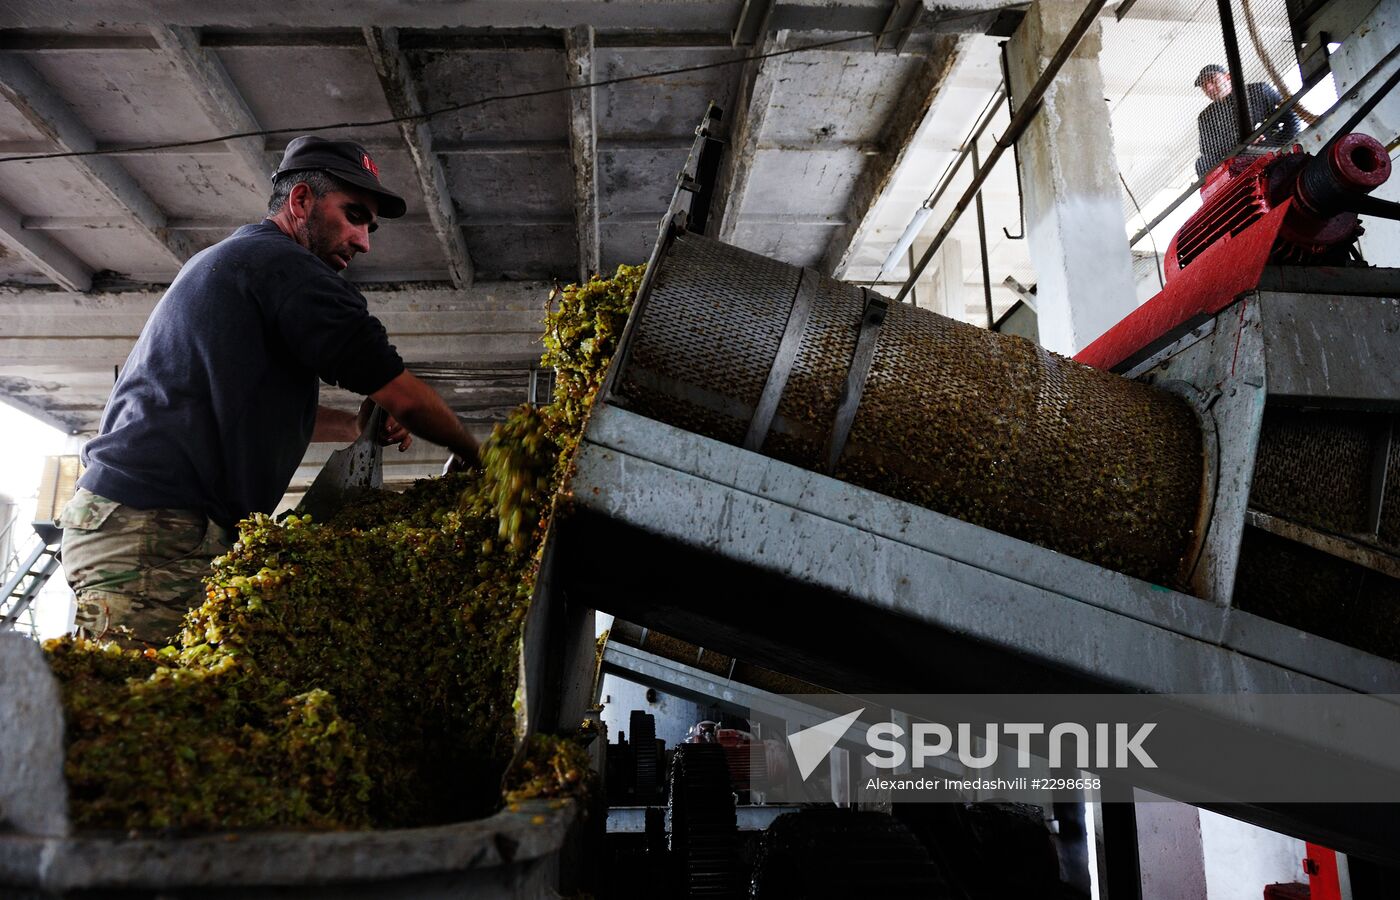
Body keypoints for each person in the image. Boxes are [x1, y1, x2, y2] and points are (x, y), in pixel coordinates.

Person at [60, 135, 481, 647]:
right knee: (143, 710)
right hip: (156, 527)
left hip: (139, 520)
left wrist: (353, 426)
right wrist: (487, 463)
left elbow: (250, 404)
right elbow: (405, 395)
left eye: (369, 227)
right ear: (301, 200)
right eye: (353, 216)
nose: (364, 240)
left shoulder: (239, 261)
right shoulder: (285, 269)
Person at [1193, 63, 1301, 178]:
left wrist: (1282, 147)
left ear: (1228, 77)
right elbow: (1207, 149)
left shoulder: (1258, 90)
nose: (1209, 87)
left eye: (1212, 80)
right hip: (1237, 165)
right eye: (1204, 85)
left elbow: (1291, 118)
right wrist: (1240, 142)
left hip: (1270, 152)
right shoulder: (1206, 117)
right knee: (1201, 164)